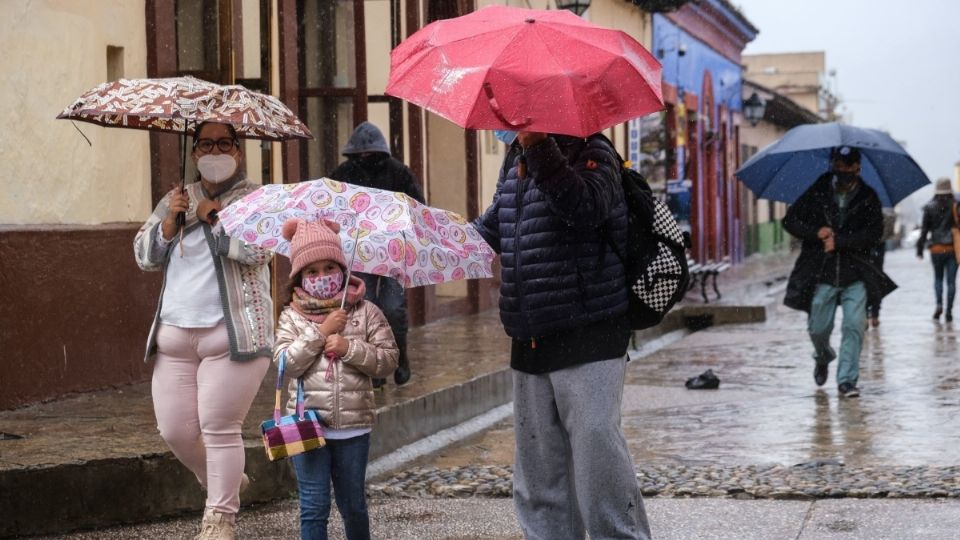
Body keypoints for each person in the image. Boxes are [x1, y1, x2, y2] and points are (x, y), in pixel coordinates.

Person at [473, 130, 652, 539]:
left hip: (589, 331)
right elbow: (491, 229)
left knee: (597, 462)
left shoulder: (595, 150)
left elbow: (584, 208)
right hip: (530, 335)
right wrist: (421, 240)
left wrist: (540, 148)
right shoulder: (515, 157)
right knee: (540, 475)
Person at [134, 121, 273, 540]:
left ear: (238, 151)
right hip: (175, 334)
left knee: (218, 427)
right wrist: (169, 226)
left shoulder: (255, 199)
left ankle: (219, 520)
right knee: (175, 430)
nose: (215, 151)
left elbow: (258, 252)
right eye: (206, 144)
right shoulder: (176, 198)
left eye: (224, 143)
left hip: (233, 335)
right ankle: (226, 482)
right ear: (194, 153)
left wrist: (212, 219)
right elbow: (143, 255)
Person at [273, 218, 398, 540]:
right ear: (299, 276)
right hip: (307, 424)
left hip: (353, 428)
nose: (321, 277)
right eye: (312, 271)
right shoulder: (291, 315)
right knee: (313, 506)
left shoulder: (366, 312)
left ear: (343, 269)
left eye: (329, 267)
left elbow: (387, 361)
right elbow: (285, 364)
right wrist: (320, 332)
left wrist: (349, 348)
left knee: (352, 504)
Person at [783, 146, 896, 399]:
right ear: (832, 164)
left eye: (847, 165)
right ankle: (823, 356)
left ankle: (846, 380)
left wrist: (842, 241)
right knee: (818, 329)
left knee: (855, 326)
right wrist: (816, 232)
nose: (842, 170)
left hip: (855, 275)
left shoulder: (868, 197)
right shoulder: (817, 191)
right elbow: (790, 221)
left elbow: (875, 234)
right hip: (821, 273)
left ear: (858, 167)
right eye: (838, 164)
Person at [327, 121, 424, 388]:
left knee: (393, 308)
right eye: (362, 155)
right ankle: (375, 365)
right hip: (359, 251)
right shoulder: (343, 174)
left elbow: (417, 208)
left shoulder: (398, 173)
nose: (366, 160)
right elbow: (330, 209)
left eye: (370, 155)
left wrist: (401, 228)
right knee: (366, 306)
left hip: (394, 250)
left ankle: (400, 356)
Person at [916, 177, 958, 322]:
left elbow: (924, 231)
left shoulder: (929, 207)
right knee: (951, 282)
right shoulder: (956, 205)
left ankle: (939, 304)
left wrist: (920, 249)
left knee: (938, 279)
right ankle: (948, 312)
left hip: (936, 249)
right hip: (952, 248)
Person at [866, 208, 897, 328]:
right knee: (876, 281)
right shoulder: (885, 213)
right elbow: (889, 232)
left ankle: (865, 314)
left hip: (864, 251)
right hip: (877, 252)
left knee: (864, 281)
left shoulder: (859, 208)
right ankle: (875, 315)